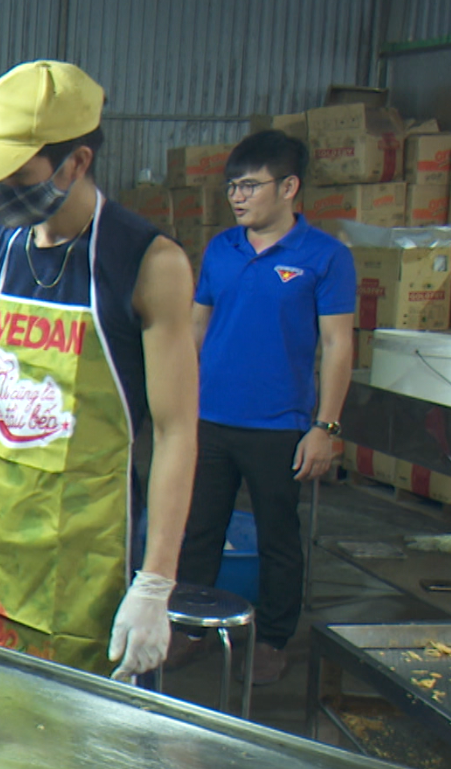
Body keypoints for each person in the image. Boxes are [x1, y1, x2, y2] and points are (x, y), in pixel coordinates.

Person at [0, 60, 199, 680]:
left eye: (18, 173)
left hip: (87, 548)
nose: (0, 189)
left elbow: (177, 433)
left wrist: (155, 583)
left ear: (77, 162)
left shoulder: (148, 265)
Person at [173, 130, 355, 685]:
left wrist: (324, 427)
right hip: (209, 418)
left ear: (290, 187)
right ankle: (188, 631)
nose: (237, 196)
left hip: (281, 426)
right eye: (233, 186)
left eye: (250, 185)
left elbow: (338, 345)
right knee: (199, 529)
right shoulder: (221, 249)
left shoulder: (325, 257)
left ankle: (274, 640)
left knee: (279, 536)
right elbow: (196, 326)